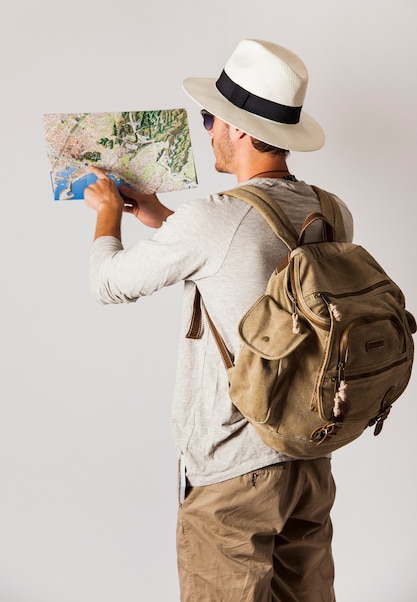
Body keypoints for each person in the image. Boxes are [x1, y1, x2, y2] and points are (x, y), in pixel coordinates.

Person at [84, 39, 353, 602]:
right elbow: (255, 263)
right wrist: (164, 219)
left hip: (234, 468)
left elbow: (108, 283)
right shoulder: (330, 210)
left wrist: (110, 215)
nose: (208, 130)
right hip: (309, 453)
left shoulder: (215, 220)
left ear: (239, 129)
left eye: (212, 120)